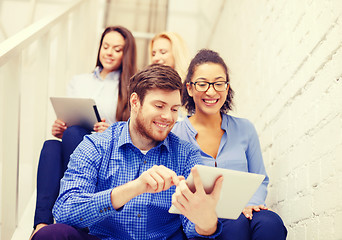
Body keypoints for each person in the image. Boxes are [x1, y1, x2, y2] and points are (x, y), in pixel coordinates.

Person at [31, 64, 224, 240]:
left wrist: (207, 222)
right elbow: (65, 210)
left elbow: (192, 229)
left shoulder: (187, 154)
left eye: (174, 109)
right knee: (51, 234)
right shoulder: (96, 145)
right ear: (135, 102)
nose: (168, 117)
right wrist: (135, 187)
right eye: (159, 106)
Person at [31, 26, 137, 238]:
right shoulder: (79, 81)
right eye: (105, 46)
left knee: (73, 135)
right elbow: (69, 120)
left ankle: (77, 207)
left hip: (106, 156)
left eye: (117, 49)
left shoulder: (130, 88)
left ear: (126, 54)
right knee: (52, 145)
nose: (109, 52)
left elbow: (133, 131)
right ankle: (40, 224)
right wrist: (60, 128)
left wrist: (112, 130)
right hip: (74, 143)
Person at [172, 49, 288, 240]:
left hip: (246, 209)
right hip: (201, 220)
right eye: (202, 84)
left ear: (227, 88)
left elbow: (260, 177)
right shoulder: (176, 134)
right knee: (234, 224)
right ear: (190, 89)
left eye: (219, 83)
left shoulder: (245, 129)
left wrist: (252, 203)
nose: (211, 91)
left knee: (271, 222)